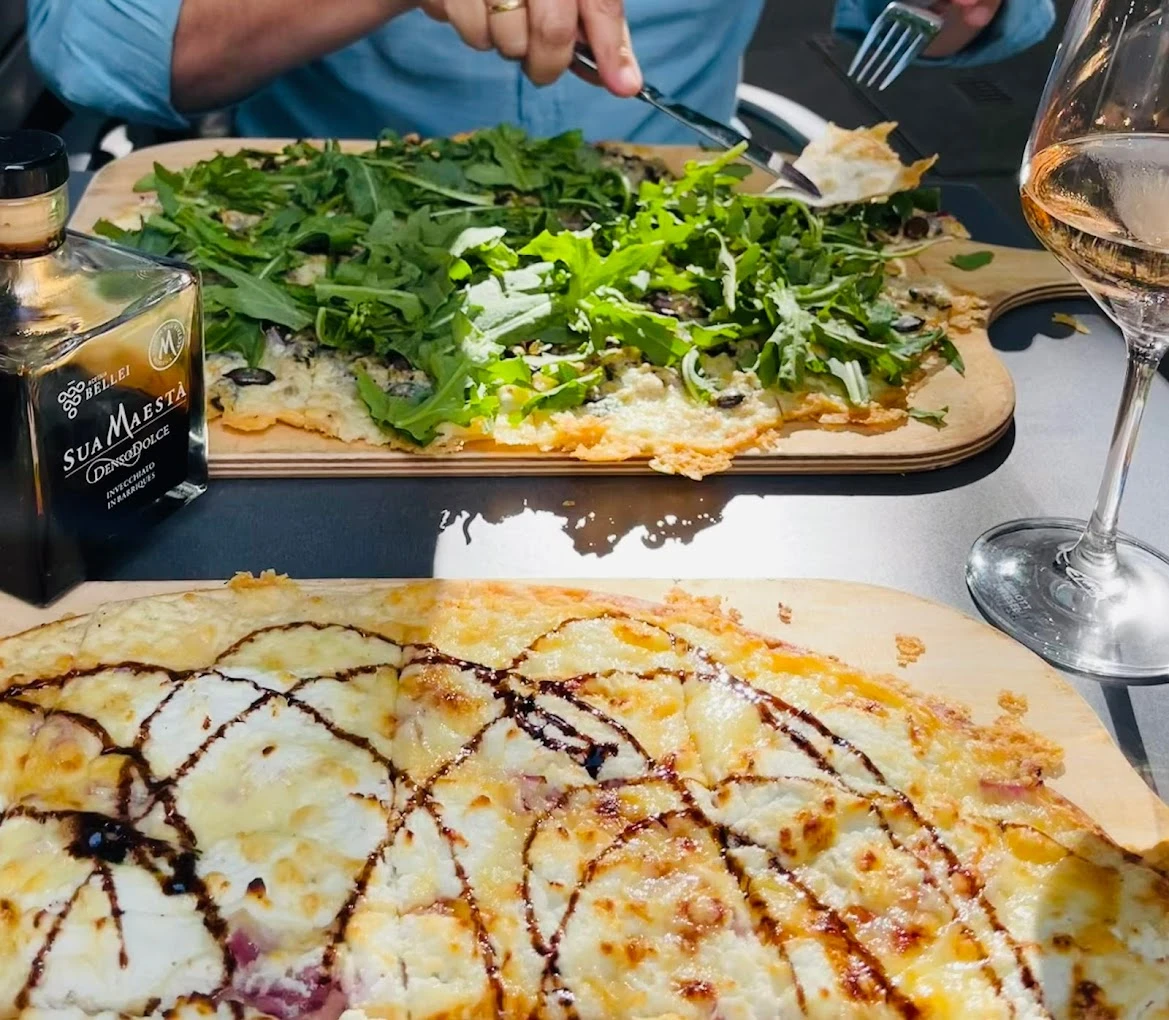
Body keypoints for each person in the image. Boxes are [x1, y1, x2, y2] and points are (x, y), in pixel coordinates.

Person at [27, 0, 1056, 144]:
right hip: (330, 254)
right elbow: (91, 47)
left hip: (675, 244)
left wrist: (960, 10)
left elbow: (961, 23)